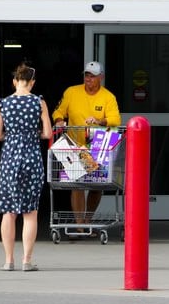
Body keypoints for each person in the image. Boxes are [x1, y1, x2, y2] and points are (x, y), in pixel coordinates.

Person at [0, 62, 52, 272]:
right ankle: (27, 260)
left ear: (14, 81)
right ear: (32, 83)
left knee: (9, 212)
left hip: (9, 160)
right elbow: (47, 133)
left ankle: (8, 261)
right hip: (32, 159)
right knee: (30, 212)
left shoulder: (3, 104)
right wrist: (33, 134)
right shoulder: (39, 102)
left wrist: (12, 136)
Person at [51, 61, 121, 224]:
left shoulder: (108, 97)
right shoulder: (72, 92)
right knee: (77, 185)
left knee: (97, 186)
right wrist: (59, 120)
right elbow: (58, 111)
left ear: (101, 77)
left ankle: (87, 220)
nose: (88, 79)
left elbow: (116, 119)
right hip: (75, 147)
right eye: (86, 75)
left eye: (93, 76)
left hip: (97, 148)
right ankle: (79, 225)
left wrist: (99, 120)